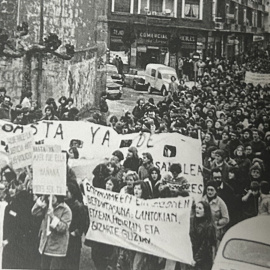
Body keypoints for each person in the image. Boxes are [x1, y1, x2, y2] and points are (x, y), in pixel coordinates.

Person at [31, 194, 72, 270]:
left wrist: (53, 217)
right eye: (49, 196)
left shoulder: (66, 209)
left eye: (54, 196)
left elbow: (63, 228)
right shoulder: (47, 206)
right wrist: (40, 201)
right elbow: (34, 212)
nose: (51, 198)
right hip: (45, 246)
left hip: (57, 249)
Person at [190, 201, 216, 270]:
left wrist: (196, 259)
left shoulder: (209, 226)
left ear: (205, 211)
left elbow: (206, 245)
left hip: (203, 260)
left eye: (200, 208)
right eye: (196, 207)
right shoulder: (192, 221)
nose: (197, 210)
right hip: (192, 257)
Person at [64, 183, 85, 270]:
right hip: (64, 238)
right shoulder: (63, 204)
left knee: (72, 264)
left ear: (72, 193)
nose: (65, 194)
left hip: (73, 240)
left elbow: (83, 223)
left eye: (67, 192)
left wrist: (76, 232)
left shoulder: (78, 206)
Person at [202, 181, 229, 245]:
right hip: (204, 231)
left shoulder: (220, 202)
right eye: (208, 190)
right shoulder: (202, 200)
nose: (209, 192)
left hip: (216, 232)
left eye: (212, 190)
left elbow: (226, 219)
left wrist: (217, 223)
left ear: (216, 191)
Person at [132, 181, 151, 270]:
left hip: (143, 239)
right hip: (131, 238)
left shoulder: (148, 204)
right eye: (135, 188)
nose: (136, 191)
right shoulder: (130, 201)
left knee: (137, 264)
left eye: (139, 189)